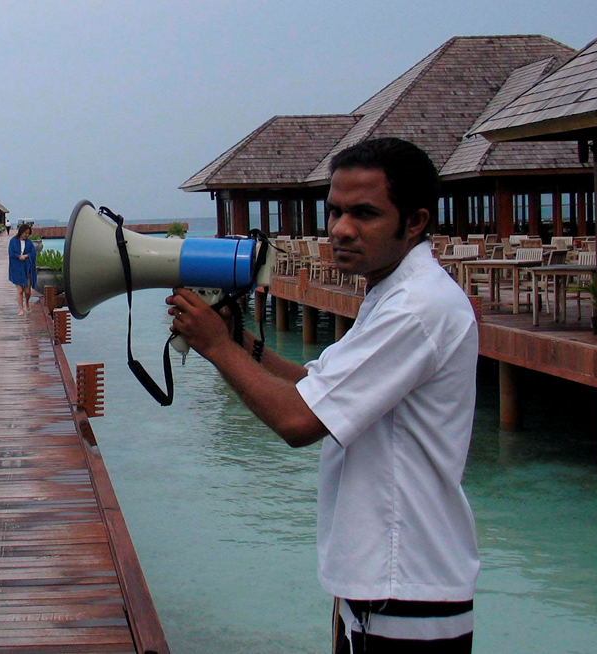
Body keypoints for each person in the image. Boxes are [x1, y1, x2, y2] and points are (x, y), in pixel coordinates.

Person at [167, 138, 479, 653]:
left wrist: (220, 349)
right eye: (334, 211)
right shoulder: (393, 294)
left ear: (416, 221)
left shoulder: (416, 307)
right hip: (384, 589)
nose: (340, 229)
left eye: (364, 213)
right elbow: (310, 386)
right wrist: (234, 338)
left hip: (405, 592)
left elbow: (298, 422)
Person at [8, 223, 37, 315]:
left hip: (27, 268)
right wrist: (18, 256)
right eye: (25, 233)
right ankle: (21, 309)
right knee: (20, 290)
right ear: (21, 232)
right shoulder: (13, 241)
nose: (27, 235)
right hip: (17, 268)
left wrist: (26, 256)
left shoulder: (29, 243)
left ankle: (27, 302)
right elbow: (11, 253)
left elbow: (33, 253)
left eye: (28, 233)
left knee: (27, 291)